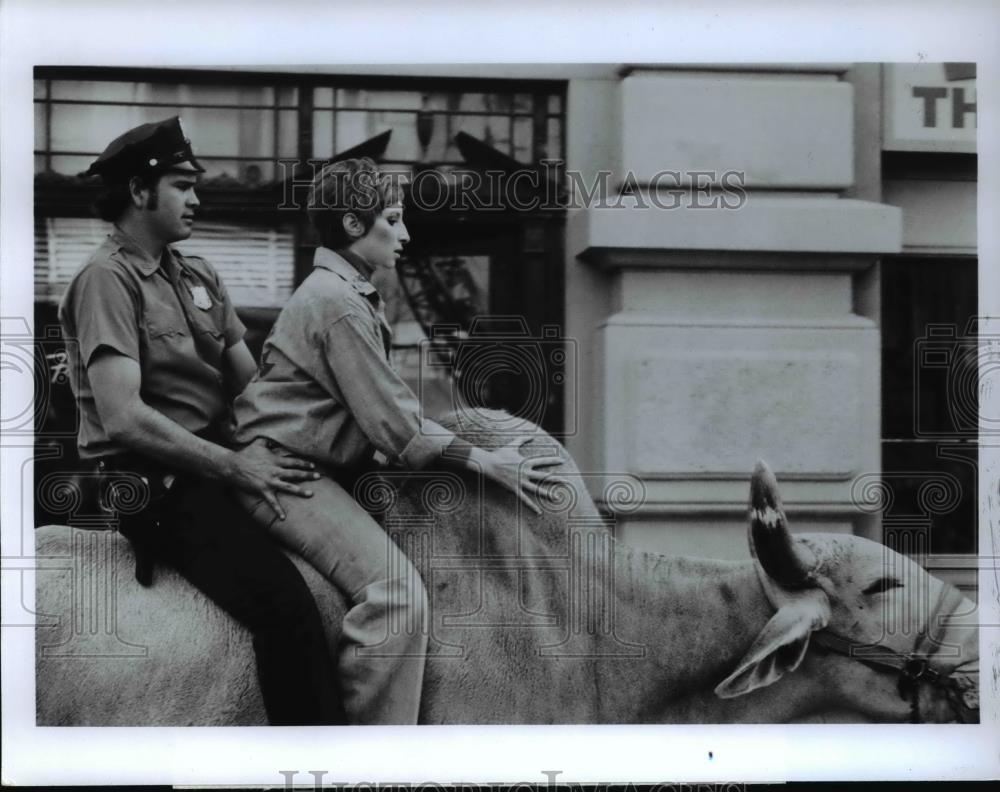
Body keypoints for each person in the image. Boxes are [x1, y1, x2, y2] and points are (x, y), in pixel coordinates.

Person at [232, 157, 563, 724]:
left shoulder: (346, 293)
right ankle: (365, 763)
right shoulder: (335, 303)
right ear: (354, 226)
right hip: (291, 477)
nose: (405, 233)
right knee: (398, 598)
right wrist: (488, 461)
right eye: (393, 218)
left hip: (319, 470)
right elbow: (395, 423)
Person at [58, 117, 344, 725]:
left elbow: (252, 389)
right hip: (157, 484)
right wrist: (241, 467)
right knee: (286, 607)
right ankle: (314, 764)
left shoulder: (198, 275)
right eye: (183, 185)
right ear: (140, 191)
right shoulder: (104, 281)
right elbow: (125, 418)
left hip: (221, 463)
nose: (197, 198)